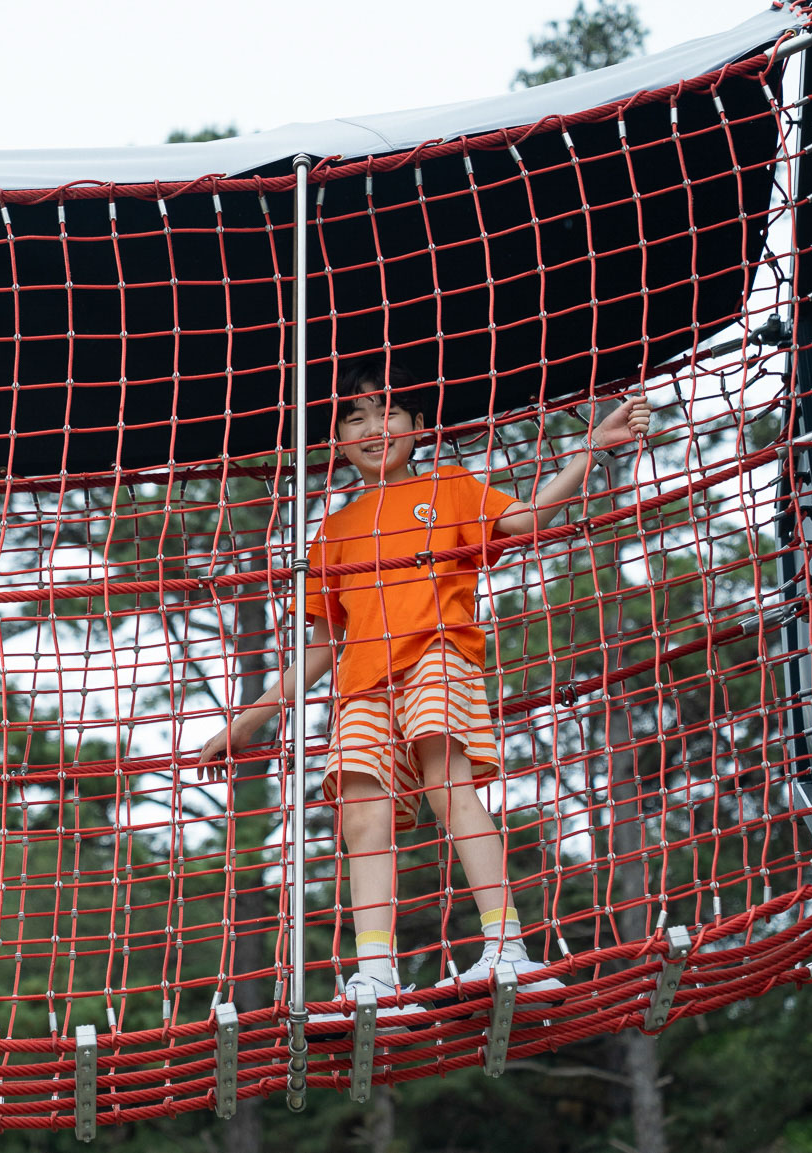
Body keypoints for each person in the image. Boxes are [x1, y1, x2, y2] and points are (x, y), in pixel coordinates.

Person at [194, 364, 650, 1022]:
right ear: (336, 440)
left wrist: (590, 448)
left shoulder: (450, 486)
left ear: (416, 425)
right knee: (361, 814)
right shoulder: (333, 532)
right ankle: (376, 975)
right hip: (362, 683)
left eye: (388, 411)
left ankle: (506, 947)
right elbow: (320, 646)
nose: (374, 427)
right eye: (354, 417)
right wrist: (248, 722)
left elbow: (522, 521)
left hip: (438, 653)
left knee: (447, 784)